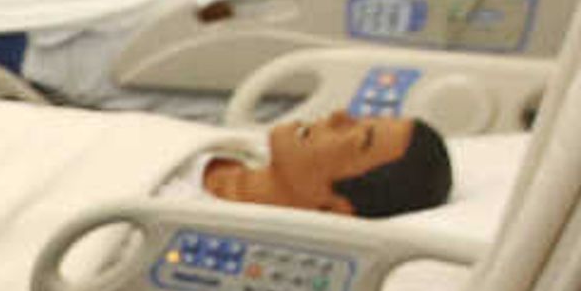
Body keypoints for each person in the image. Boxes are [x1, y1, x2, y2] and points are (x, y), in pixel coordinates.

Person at [188, 105, 453, 219]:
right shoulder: (223, 150)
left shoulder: (169, 215)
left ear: (338, 207)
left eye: (361, 138)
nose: (340, 115)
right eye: (360, 118)